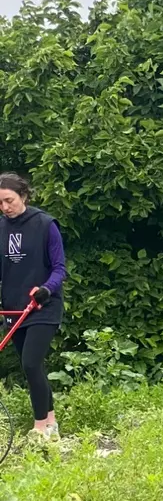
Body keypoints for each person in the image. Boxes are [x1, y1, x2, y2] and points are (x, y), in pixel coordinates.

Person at [0, 173, 67, 439]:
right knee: (33, 367)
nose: (5, 207)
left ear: (23, 196)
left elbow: (60, 268)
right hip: (13, 308)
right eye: (0, 203)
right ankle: (51, 422)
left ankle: (39, 427)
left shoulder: (45, 224)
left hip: (42, 306)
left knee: (30, 363)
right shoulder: (1, 227)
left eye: (9, 200)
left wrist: (45, 289)